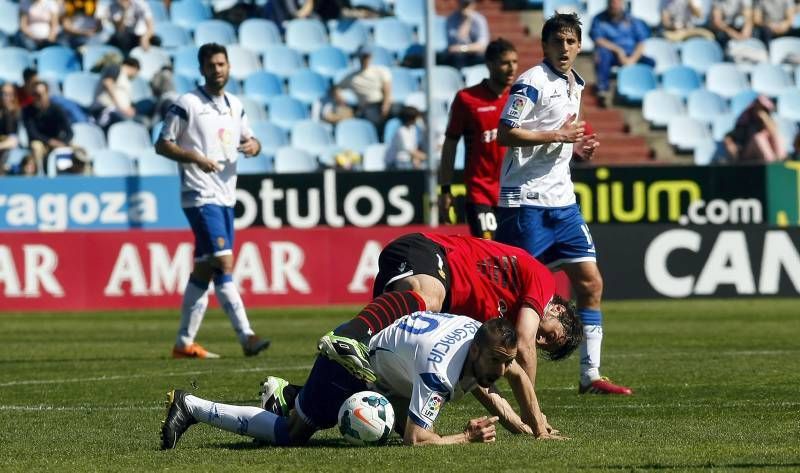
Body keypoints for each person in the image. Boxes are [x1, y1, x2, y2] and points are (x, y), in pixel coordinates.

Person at [305, 232, 582, 440]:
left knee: (399, 418)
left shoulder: (495, 330)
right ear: (557, 309)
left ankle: (293, 400)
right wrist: (534, 416)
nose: (539, 341)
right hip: (429, 254)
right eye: (551, 335)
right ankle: (349, 334)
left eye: (545, 344)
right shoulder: (544, 281)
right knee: (431, 297)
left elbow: (478, 377)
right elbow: (524, 345)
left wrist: (516, 423)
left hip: (419, 304)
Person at [493, 13, 632, 396]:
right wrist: (558, 134)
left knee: (590, 283)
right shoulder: (531, 81)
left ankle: (591, 374)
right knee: (507, 295)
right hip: (525, 203)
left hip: (563, 202)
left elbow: (562, 141)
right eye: (558, 42)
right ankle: (480, 366)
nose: (565, 48)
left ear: (580, 45)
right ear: (545, 45)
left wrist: (576, 150)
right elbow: (505, 133)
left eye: (571, 42)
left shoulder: (577, 83)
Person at [161, 316, 541, 448]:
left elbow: (503, 378)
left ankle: (288, 393)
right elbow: (417, 441)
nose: (504, 370)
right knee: (291, 434)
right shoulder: (438, 372)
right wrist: (467, 438)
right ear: (475, 352)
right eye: (497, 361)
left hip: (382, 368)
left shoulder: (480, 336)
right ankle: (190, 406)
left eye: (506, 361)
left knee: (384, 422)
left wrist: (533, 429)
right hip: (348, 365)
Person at [155, 43, 270, 359]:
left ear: (229, 66)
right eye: (211, 65)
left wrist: (255, 146)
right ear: (202, 69)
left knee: (205, 269)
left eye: (222, 64)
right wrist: (193, 156)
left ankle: (183, 343)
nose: (217, 69)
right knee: (224, 262)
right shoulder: (188, 104)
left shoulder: (235, 105)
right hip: (199, 195)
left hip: (225, 195)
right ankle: (246, 335)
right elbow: (162, 144)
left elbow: (252, 140)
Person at [438, 38, 519, 239]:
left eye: (515, 62)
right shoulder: (466, 99)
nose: (511, 68)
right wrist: (445, 189)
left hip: (514, 192)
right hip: (480, 192)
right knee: (490, 256)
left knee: (516, 258)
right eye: (505, 62)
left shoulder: (519, 98)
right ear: (489, 64)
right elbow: (450, 144)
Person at [590, 0, 655, 98]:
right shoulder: (599, 19)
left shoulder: (632, 20)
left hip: (631, 54)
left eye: (617, 2)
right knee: (602, 54)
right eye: (612, 2)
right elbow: (598, 39)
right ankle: (603, 89)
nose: (614, 5)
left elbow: (641, 42)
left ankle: (644, 90)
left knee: (651, 62)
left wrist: (633, 59)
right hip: (611, 54)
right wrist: (618, 51)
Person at [333, 46, 392, 135]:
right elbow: (335, 88)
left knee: (409, 113)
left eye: (367, 56)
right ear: (359, 58)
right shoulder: (352, 77)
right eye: (363, 56)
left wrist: (386, 105)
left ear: (371, 57)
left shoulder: (381, 71)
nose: (365, 59)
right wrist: (340, 98)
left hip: (384, 103)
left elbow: (387, 89)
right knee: (375, 121)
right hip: (369, 106)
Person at [21, 81, 74, 175]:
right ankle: (40, 176)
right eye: (34, 94)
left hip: (58, 142)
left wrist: (63, 142)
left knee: (79, 150)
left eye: (40, 94)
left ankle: (73, 176)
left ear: (47, 93)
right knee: (36, 146)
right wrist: (50, 141)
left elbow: (69, 132)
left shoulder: (57, 109)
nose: (37, 97)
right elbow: (33, 134)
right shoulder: (27, 111)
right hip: (41, 142)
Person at [723, 95, 787, 162]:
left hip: (764, 154)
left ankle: (780, 162)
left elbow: (774, 131)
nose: (762, 111)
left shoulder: (765, 121)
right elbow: (731, 137)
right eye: (760, 107)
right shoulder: (744, 120)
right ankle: (771, 164)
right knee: (759, 138)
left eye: (764, 109)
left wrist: (765, 118)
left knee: (777, 136)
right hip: (744, 153)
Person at [91, 56, 141, 130]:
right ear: (134, 68)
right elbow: (108, 83)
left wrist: (129, 108)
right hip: (107, 108)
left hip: (119, 110)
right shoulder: (115, 68)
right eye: (137, 71)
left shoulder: (126, 78)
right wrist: (120, 107)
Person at [443, 0, 490, 68]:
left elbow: (482, 46)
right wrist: (464, 21)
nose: (465, 7)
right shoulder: (451, 19)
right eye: (463, 3)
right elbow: (453, 45)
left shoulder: (480, 20)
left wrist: (463, 49)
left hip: (475, 57)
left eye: (467, 4)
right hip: (456, 58)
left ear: (473, 4)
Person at [385, 105, 426, 170]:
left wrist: (417, 159)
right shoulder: (401, 132)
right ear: (411, 119)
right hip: (394, 164)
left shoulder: (414, 129)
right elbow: (411, 152)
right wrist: (429, 158)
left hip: (407, 161)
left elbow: (416, 149)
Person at [0, 83, 21, 173]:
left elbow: (13, 139)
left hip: (12, 147)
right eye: (3, 94)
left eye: (10, 94)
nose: (6, 97)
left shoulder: (18, 113)